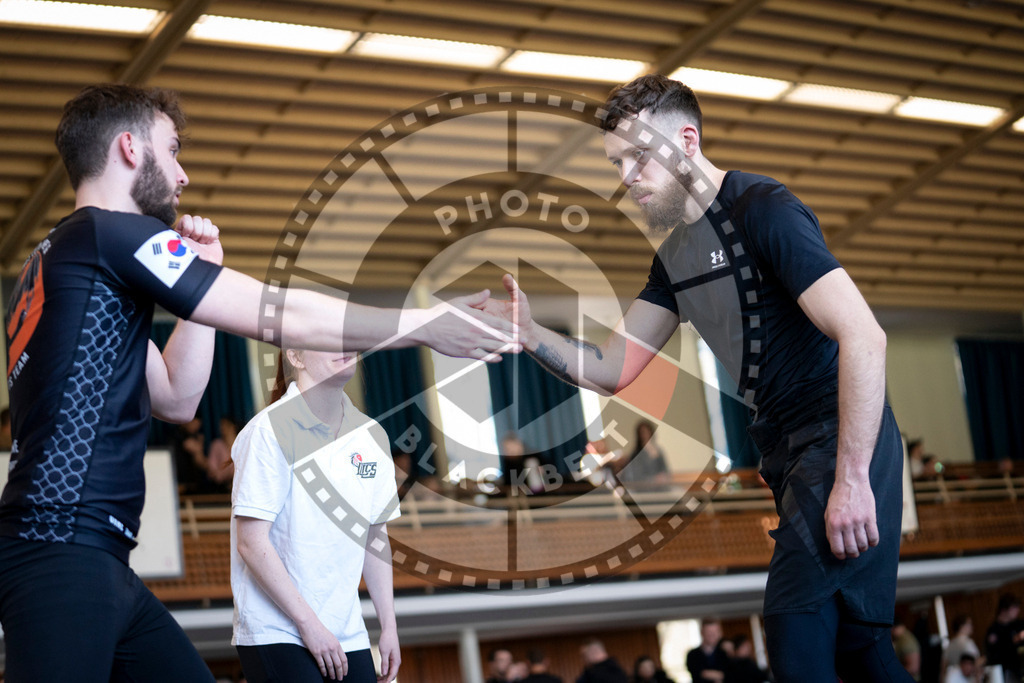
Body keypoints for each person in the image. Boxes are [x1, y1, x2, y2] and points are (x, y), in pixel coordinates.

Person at [0, 83, 517, 683]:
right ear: (129, 148)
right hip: (58, 543)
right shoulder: (110, 235)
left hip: (100, 559)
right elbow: (285, 315)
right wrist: (425, 324)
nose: (183, 173)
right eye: (172, 150)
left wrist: (204, 274)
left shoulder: (73, 260)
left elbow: (176, 398)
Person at [483, 73, 908, 682]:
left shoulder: (764, 209)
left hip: (836, 438)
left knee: (794, 638)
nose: (625, 176)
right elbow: (612, 369)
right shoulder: (674, 256)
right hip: (786, 454)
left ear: (686, 139)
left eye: (636, 156)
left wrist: (853, 478)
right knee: (861, 657)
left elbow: (865, 337)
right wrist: (531, 333)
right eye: (616, 162)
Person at [231, 349, 399, 683]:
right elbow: (250, 543)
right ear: (296, 356)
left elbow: (374, 538)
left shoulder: (371, 434)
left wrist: (389, 625)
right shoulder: (268, 430)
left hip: (348, 632)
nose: (345, 347)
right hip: (278, 630)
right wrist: (309, 625)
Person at [616, 419, 670, 486]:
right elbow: (637, 477)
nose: (645, 435)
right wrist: (654, 479)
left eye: (647, 432)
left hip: (660, 488)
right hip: (643, 489)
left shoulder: (658, 451)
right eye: (643, 433)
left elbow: (666, 471)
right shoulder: (635, 454)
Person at [986, 593, 1024, 683]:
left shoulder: (1018, 624)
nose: (1017, 611)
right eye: (1014, 608)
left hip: (1021, 668)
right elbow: (994, 655)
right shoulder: (994, 630)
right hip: (1007, 672)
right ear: (1004, 610)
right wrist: (1015, 640)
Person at [686, 619, 728, 683]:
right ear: (702, 632)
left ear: (720, 633)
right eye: (709, 632)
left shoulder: (725, 653)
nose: (712, 635)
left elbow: (732, 674)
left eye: (715, 632)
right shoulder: (692, 655)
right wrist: (720, 675)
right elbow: (698, 674)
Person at [943, 615, 982, 683]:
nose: (971, 627)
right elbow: (977, 663)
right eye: (969, 624)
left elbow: (943, 667)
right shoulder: (968, 643)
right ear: (962, 626)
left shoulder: (950, 645)